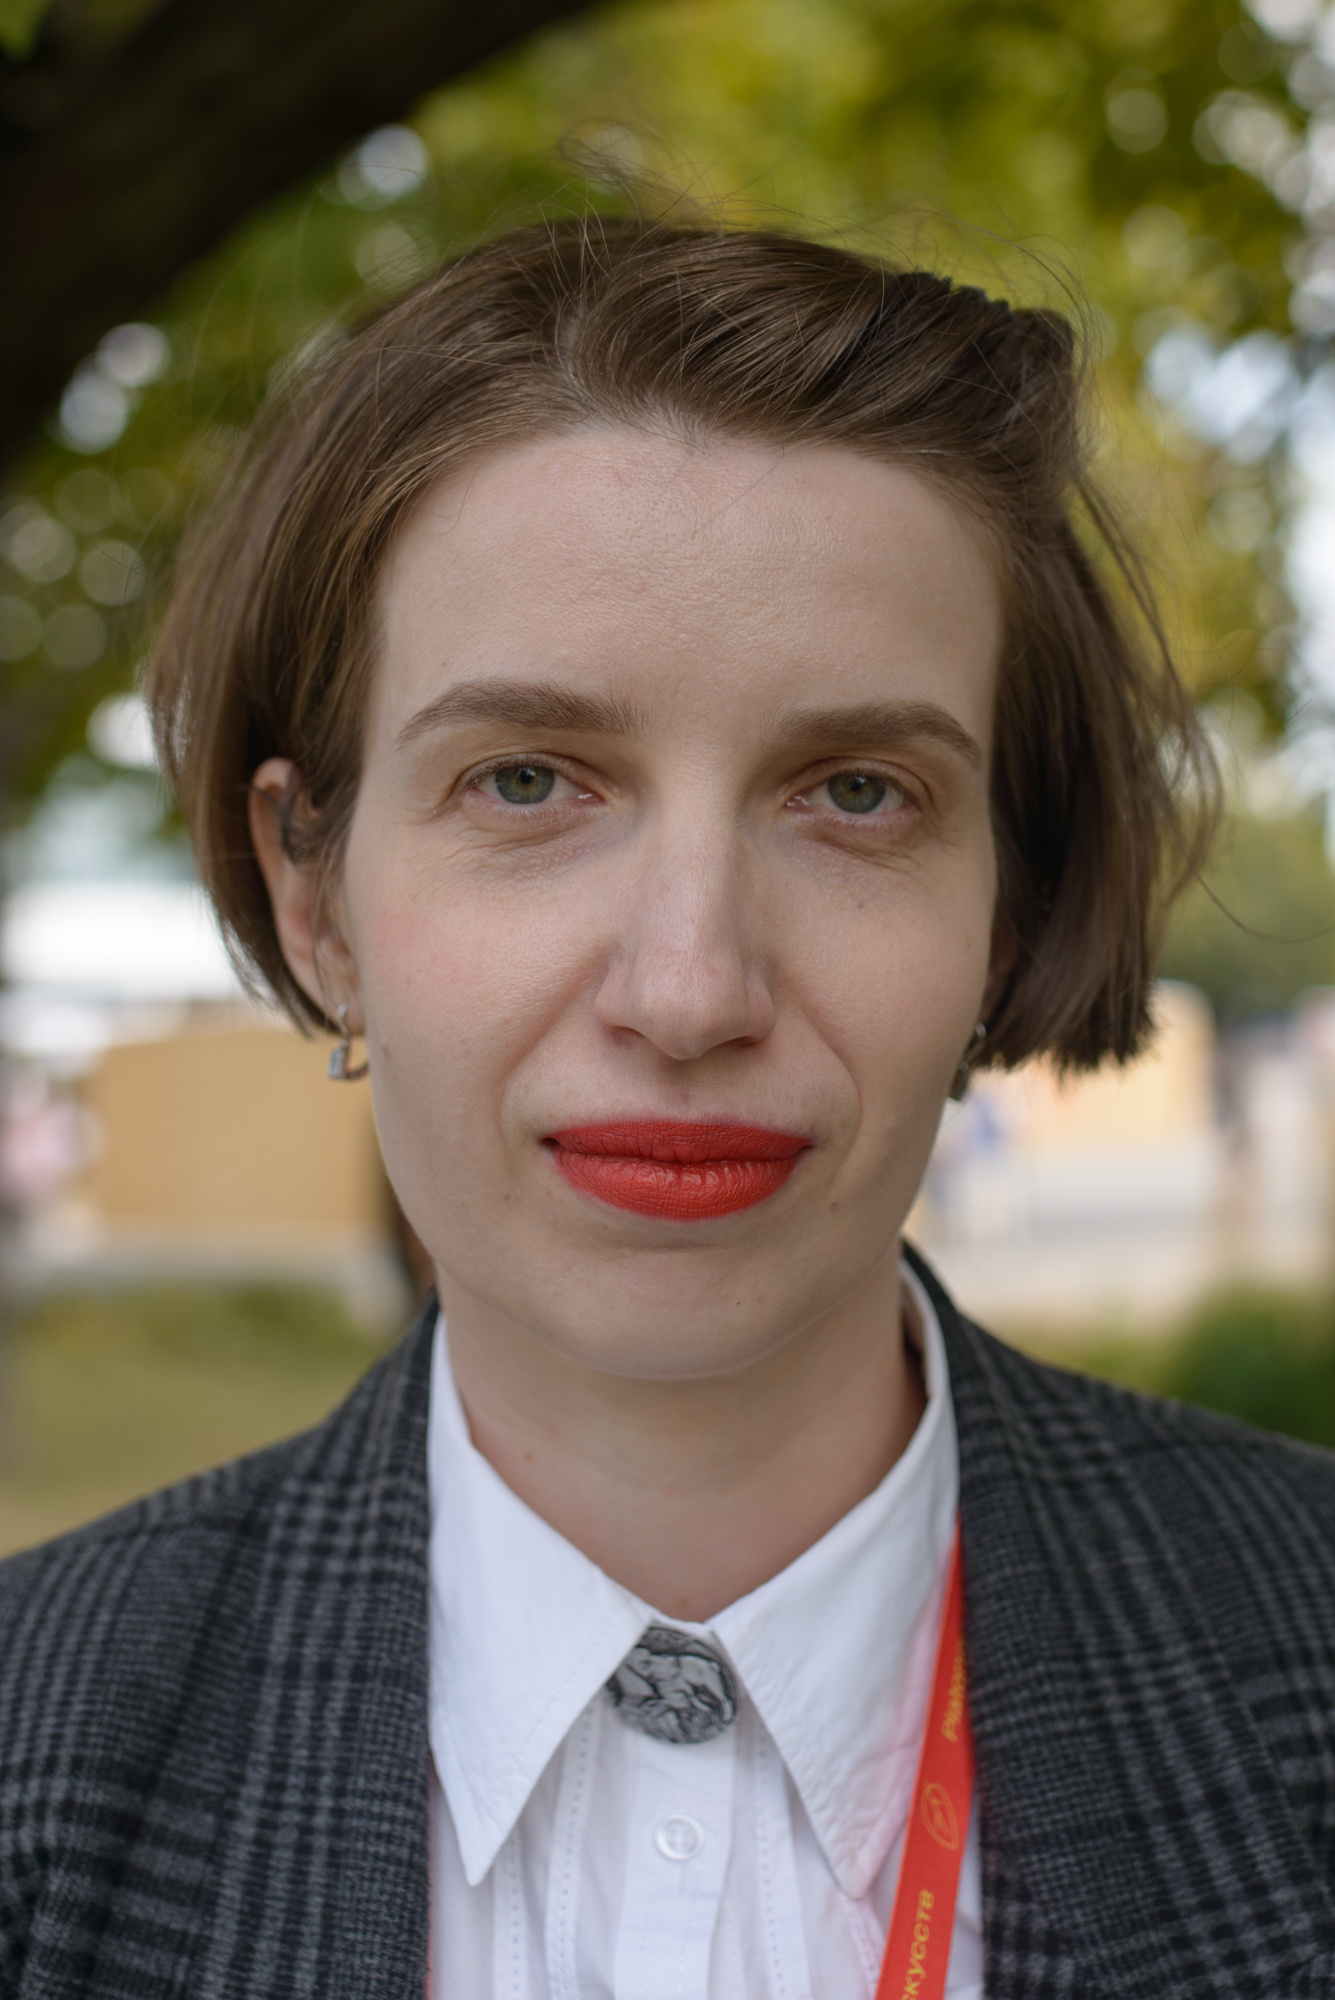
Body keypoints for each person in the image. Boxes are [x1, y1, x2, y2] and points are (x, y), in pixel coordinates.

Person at [3, 217, 1334, 2000]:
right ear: (313, 899)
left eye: (855, 792)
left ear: (1006, 907)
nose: (691, 990)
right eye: (530, 781)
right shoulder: (35, 1754)